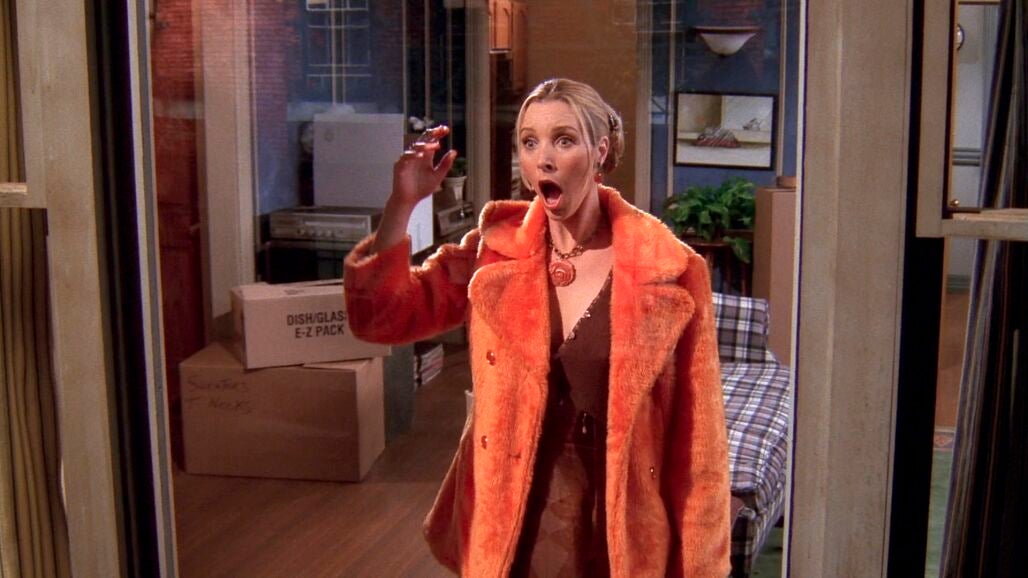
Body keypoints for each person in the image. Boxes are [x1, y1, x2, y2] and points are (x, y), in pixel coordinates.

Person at [343, 78, 731, 577]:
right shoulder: (493, 252)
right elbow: (383, 318)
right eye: (529, 142)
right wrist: (402, 205)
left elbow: (700, 450)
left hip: (619, 531)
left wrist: (701, 567)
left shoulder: (670, 271)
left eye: (563, 140)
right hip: (510, 521)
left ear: (600, 151)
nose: (543, 159)